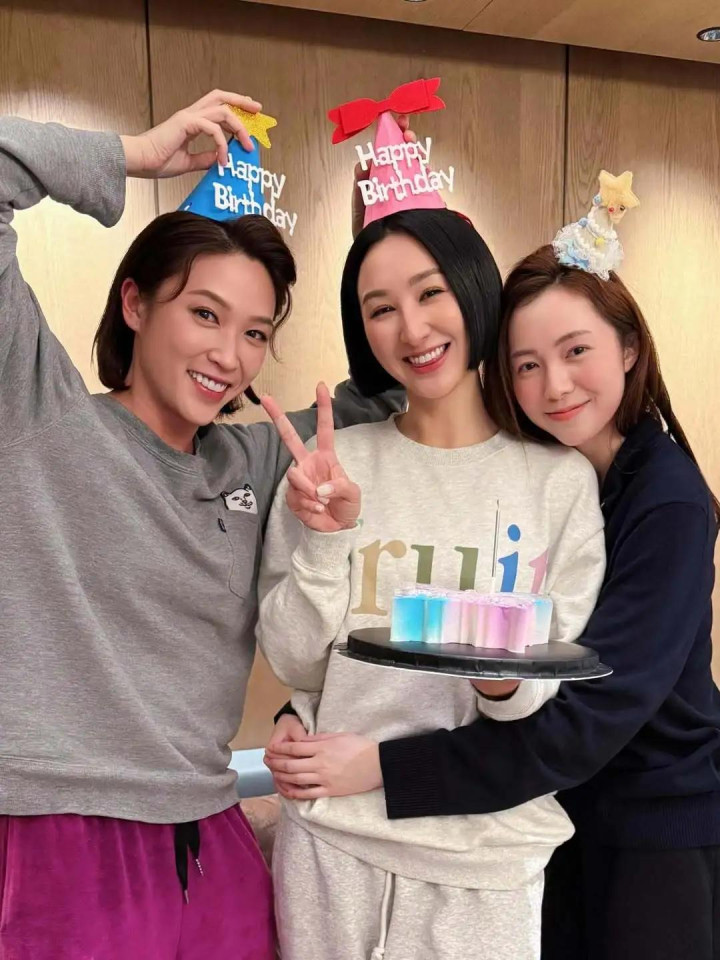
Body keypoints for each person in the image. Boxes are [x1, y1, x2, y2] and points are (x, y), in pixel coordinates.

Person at [0, 90, 403, 960]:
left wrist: (389, 240)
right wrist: (135, 155)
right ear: (136, 304)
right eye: (205, 314)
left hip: (211, 832)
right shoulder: (34, 410)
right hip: (55, 830)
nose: (229, 356)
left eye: (256, 332)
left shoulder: (255, 460)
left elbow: (404, 390)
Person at [268, 240, 720, 960]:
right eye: (527, 364)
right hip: (540, 816)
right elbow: (316, 650)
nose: (555, 385)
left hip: (643, 824)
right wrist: (307, 708)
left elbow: (584, 717)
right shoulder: (568, 470)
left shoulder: (659, 499)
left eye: (577, 351)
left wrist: (385, 766)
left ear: (631, 348)